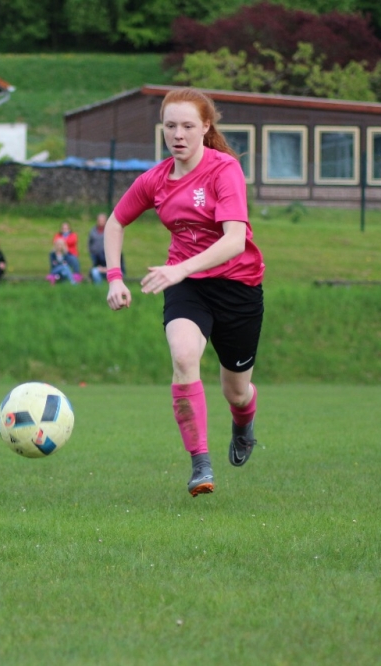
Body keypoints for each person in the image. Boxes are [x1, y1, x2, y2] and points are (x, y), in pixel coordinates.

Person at [103, 88, 265, 498]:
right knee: (183, 355)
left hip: (238, 287)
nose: (178, 134)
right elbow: (115, 223)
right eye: (170, 125)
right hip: (188, 287)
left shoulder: (224, 170)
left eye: (188, 126)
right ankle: (200, 464)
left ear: (206, 127)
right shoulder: (155, 179)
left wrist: (180, 268)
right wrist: (115, 277)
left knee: (236, 391)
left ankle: (243, 423)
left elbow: (234, 240)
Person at [88, 212, 125, 284]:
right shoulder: (93, 231)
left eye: (102, 220)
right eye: (100, 220)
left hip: (112, 268)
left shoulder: (117, 254)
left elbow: (121, 268)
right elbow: (90, 242)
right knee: (94, 270)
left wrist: (105, 269)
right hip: (96, 254)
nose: (101, 222)